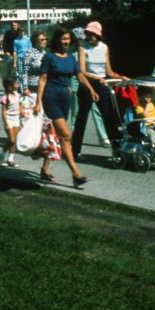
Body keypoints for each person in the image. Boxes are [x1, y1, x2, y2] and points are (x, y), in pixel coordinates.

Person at [34, 27, 96, 187]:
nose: (66, 42)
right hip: (51, 98)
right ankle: (76, 174)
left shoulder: (70, 58)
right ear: (57, 40)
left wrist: (91, 89)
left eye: (68, 39)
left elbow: (80, 75)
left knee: (57, 135)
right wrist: (38, 102)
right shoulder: (49, 57)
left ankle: (45, 169)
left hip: (65, 99)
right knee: (66, 136)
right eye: (63, 39)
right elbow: (42, 79)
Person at [72, 21, 128, 157]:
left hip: (102, 85)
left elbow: (108, 72)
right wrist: (98, 78)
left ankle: (117, 149)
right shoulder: (82, 48)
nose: (89, 36)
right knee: (82, 118)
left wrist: (121, 77)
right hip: (87, 84)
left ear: (98, 35)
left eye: (92, 34)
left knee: (108, 117)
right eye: (88, 34)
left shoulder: (104, 48)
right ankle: (75, 151)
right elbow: (82, 71)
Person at [68, 27, 110, 147]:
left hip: (90, 80)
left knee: (97, 111)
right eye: (78, 38)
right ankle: (74, 138)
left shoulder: (88, 48)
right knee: (77, 112)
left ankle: (103, 136)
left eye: (82, 38)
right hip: (76, 81)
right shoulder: (71, 51)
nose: (81, 40)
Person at [0, 76, 24, 167]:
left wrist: (23, 112)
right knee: (12, 140)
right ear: (10, 86)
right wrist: (6, 123)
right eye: (16, 83)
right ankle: (2, 152)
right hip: (8, 119)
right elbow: (3, 111)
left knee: (13, 140)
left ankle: (10, 159)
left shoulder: (18, 95)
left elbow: (20, 106)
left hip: (16, 118)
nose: (18, 85)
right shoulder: (5, 97)